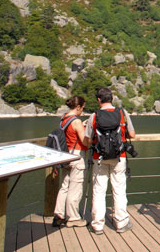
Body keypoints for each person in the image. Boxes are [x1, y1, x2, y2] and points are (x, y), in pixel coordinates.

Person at [84, 87, 136, 235]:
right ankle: (121, 222)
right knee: (119, 190)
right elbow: (132, 134)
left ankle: (97, 225)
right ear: (112, 98)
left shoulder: (94, 116)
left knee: (99, 191)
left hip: (98, 158)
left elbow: (88, 140)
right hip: (119, 157)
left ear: (98, 100)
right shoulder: (122, 113)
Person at [53, 96, 88, 228]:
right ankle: (73, 218)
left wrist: (81, 126)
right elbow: (84, 141)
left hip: (65, 155)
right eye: (82, 108)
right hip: (76, 156)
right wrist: (88, 134)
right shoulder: (77, 121)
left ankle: (59, 214)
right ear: (78, 107)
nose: (82, 112)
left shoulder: (64, 119)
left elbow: (69, 133)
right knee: (76, 188)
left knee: (65, 186)